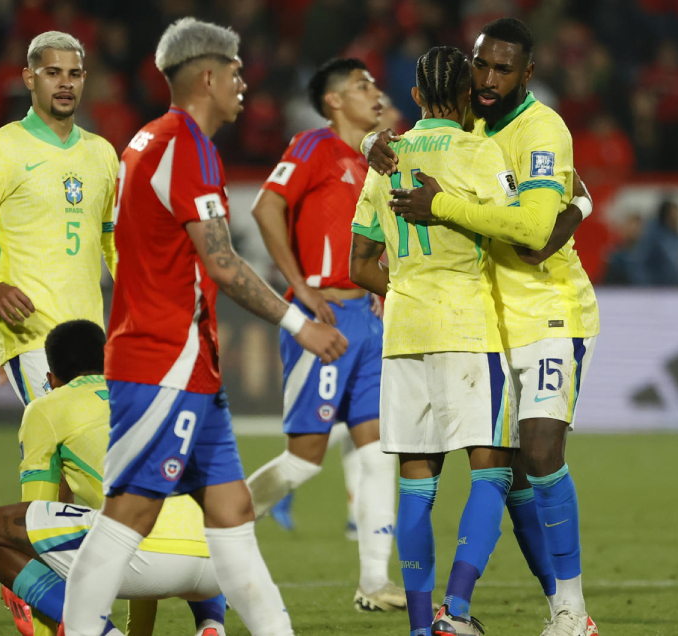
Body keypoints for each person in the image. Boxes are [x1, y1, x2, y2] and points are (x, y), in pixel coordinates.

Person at [61, 18, 347, 636]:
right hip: (163, 360)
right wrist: (300, 323)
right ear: (209, 76)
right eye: (238, 72)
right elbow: (222, 263)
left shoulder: (150, 140)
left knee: (232, 509)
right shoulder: (183, 145)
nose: (246, 83)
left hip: (192, 364)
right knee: (129, 511)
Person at [372, 17, 600, 636]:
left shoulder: (542, 130)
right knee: (515, 470)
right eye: (481, 65)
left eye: (504, 69)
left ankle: (571, 611)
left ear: (528, 73)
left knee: (541, 450)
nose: (489, 79)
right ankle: (552, 606)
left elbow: (531, 237)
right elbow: (423, 139)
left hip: (548, 311)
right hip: (487, 323)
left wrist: (439, 202)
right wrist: (377, 147)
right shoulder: (469, 127)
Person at [349, 45, 519, 636]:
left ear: (416, 96)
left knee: (417, 485)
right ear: (471, 94)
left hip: (403, 330)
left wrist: (403, 288)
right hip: (467, 327)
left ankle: (422, 627)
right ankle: (458, 610)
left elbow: (359, 263)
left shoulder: (385, 158)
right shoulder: (479, 152)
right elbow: (518, 232)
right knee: (491, 468)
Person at [244, 57, 403, 612]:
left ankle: (374, 582)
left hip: (369, 319)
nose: (375, 92)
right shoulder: (314, 146)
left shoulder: (383, 163)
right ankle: (225, 517)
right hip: (325, 319)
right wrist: (299, 289)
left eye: (376, 85)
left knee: (380, 451)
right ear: (334, 101)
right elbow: (267, 207)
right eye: (362, 86)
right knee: (305, 458)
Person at [0, 319, 226, 636]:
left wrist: (23, 582)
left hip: (148, 555)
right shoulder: (152, 394)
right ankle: (211, 624)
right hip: (219, 561)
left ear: (51, 379)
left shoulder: (47, 407)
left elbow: (36, 507)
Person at [0, 30, 119, 406]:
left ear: (84, 80)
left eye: (74, 74)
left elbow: (110, 239)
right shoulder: (1, 147)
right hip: (30, 333)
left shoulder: (103, 153)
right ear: (29, 77)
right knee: (62, 440)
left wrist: (135, 293)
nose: (65, 83)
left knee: (86, 455)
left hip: (91, 335)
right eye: (53, 73)